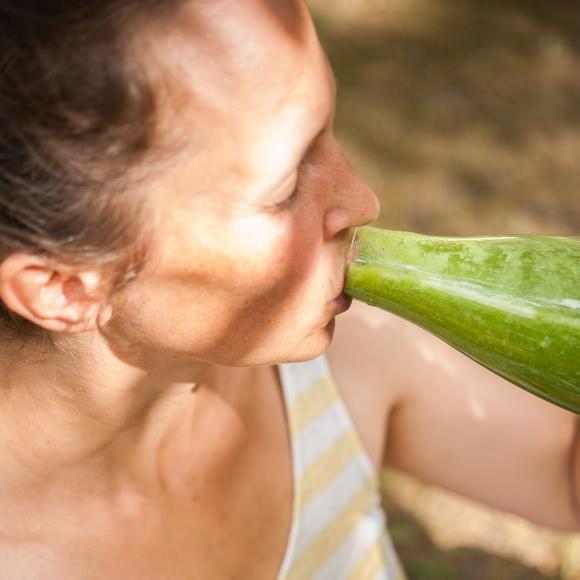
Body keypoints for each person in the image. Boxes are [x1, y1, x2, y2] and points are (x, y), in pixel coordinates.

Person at [0, 0, 577, 578]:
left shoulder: (338, 363)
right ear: (63, 288)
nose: (364, 201)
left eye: (327, 132)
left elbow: (562, 475)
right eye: (284, 190)